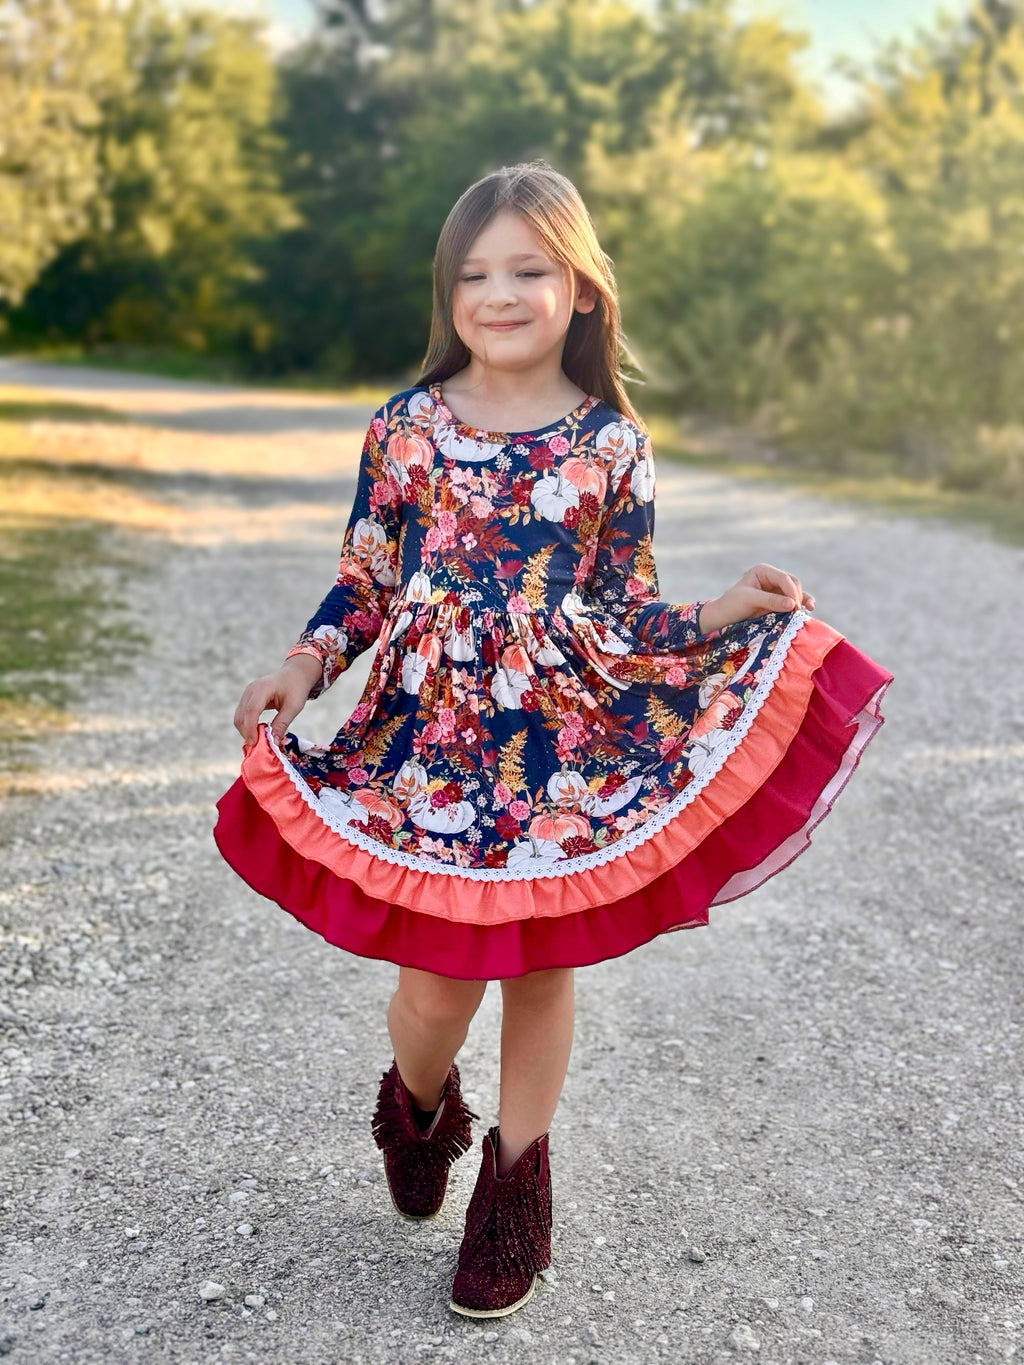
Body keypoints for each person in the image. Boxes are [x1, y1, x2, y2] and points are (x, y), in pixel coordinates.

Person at [214, 160, 893, 1320]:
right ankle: (416, 1105)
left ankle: (516, 1197)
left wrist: (724, 612)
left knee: (539, 968)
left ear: (579, 289)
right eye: (474, 273)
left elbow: (621, 611)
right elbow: (367, 583)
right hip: (425, 745)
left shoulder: (610, 446)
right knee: (433, 987)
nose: (499, 292)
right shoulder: (407, 430)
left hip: (560, 748)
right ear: (450, 294)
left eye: (528, 269)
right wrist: (304, 664)